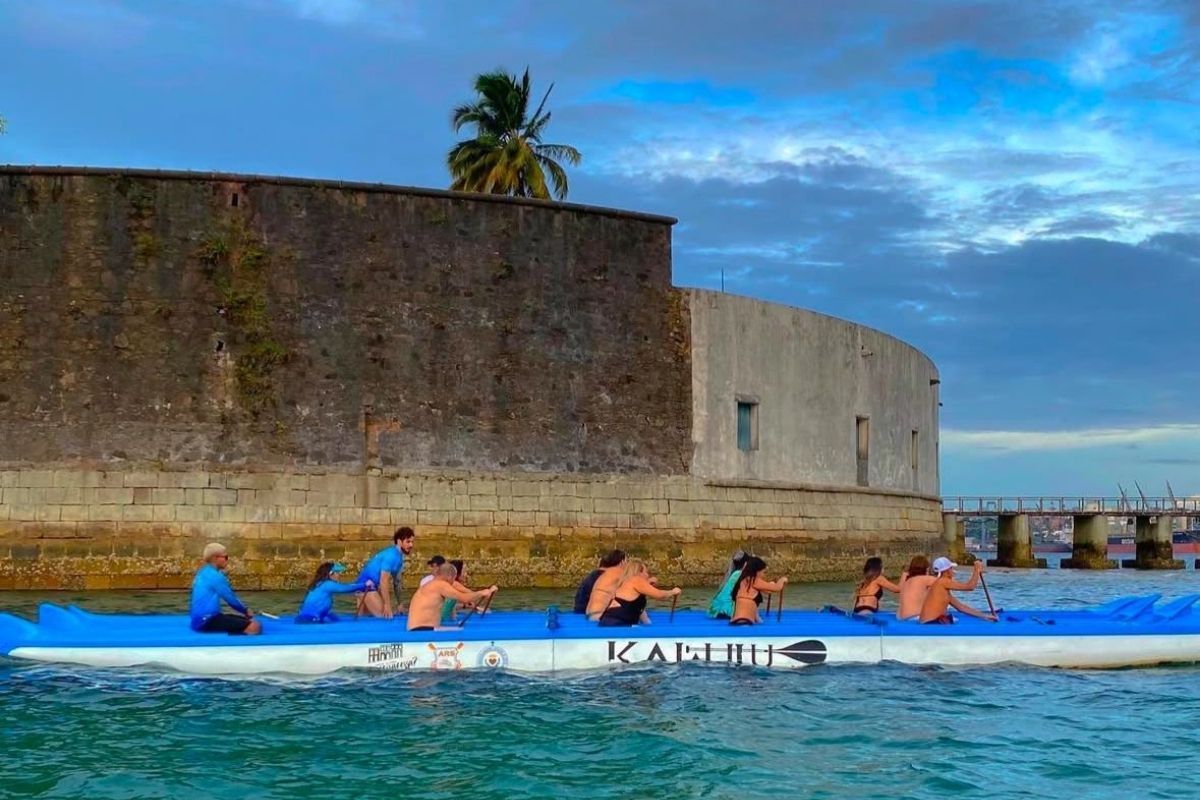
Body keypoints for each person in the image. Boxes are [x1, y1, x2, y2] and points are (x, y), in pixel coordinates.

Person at [190, 542, 261, 635]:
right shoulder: (216, 576)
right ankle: (233, 643)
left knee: (244, 620)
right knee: (255, 626)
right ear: (215, 558)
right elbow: (230, 599)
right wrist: (246, 610)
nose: (227, 560)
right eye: (225, 557)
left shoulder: (202, 572)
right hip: (207, 621)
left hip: (199, 621)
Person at [407, 564, 497, 632]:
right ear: (450, 577)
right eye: (454, 579)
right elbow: (465, 599)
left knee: (457, 628)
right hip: (422, 630)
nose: (453, 582)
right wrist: (482, 592)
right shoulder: (440, 585)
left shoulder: (431, 584)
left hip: (419, 629)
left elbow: (469, 595)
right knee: (461, 631)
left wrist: (486, 593)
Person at [596, 559, 682, 627]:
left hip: (610, 623)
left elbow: (638, 609)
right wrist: (673, 592)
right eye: (646, 572)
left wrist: (649, 625)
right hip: (617, 625)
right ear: (639, 572)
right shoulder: (636, 579)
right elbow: (659, 595)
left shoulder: (625, 582)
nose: (647, 575)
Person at [356, 526, 415, 619]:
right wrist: (387, 605)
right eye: (408, 542)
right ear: (399, 542)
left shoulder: (399, 559)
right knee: (384, 617)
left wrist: (400, 604)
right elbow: (383, 581)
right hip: (366, 586)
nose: (411, 545)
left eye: (412, 542)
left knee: (362, 620)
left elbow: (397, 583)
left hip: (368, 586)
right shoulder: (391, 556)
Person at [919, 558, 996, 624]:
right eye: (951, 568)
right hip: (930, 624)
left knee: (952, 619)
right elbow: (970, 587)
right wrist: (976, 570)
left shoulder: (942, 588)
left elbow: (961, 608)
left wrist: (985, 616)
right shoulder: (943, 581)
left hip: (928, 623)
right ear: (946, 571)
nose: (953, 571)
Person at [296, 562, 371, 623]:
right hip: (311, 620)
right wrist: (364, 585)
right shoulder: (327, 584)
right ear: (331, 573)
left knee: (332, 616)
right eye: (337, 572)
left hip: (305, 618)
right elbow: (345, 588)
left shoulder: (319, 583)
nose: (339, 575)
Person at [729, 556, 787, 626]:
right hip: (745, 622)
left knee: (752, 599)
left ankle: (757, 619)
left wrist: (770, 585)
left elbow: (768, 590)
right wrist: (783, 579)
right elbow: (777, 588)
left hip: (736, 621)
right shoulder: (754, 581)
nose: (763, 575)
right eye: (763, 572)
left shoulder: (744, 581)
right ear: (757, 571)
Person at [573, 550, 626, 614]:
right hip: (586, 611)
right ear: (621, 562)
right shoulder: (607, 576)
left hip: (580, 609)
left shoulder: (595, 574)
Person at [585, 549, 629, 620]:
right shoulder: (619, 572)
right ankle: (647, 624)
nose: (628, 565)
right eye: (627, 561)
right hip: (599, 615)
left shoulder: (605, 574)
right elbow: (639, 584)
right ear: (622, 562)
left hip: (590, 614)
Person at [707, 549, 748, 619]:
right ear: (745, 564)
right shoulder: (740, 574)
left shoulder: (733, 574)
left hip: (717, 608)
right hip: (727, 609)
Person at [897, 555, 936, 620]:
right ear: (926, 569)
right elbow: (944, 583)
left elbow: (899, 589)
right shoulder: (924, 579)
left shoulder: (906, 578)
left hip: (900, 617)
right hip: (914, 617)